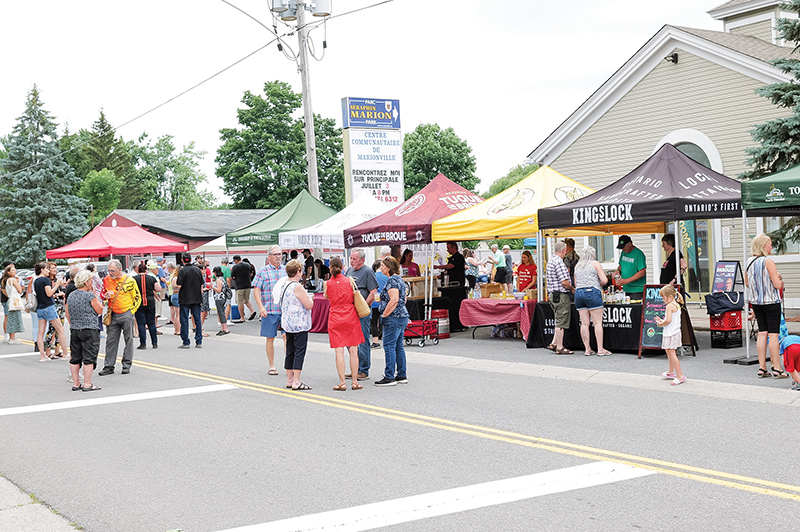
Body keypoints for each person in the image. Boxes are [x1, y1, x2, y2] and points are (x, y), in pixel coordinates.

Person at [744, 234, 788, 379]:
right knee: (773, 335)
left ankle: (762, 367)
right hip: (771, 302)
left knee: (762, 332)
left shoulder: (749, 261)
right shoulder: (768, 262)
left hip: (756, 302)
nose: (771, 246)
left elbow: (747, 283)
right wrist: (779, 278)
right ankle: (777, 368)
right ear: (764, 246)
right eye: (769, 244)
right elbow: (777, 285)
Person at [325, 257, 364, 391]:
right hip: (350, 315)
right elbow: (354, 296)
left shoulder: (327, 283)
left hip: (335, 316)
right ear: (343, 267)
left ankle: (342, 382)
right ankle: (354, 382)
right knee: (353, 350)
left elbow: (327, 296)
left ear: (330, 268)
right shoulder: (349, 280)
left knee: (339, 351)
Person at [275, 259, 314, 390]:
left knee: (290, 350)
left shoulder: (284, 285)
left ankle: (289, 379)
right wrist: (311, 299)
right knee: (299, 351)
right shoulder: (297, 286)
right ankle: (297, 381)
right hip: (299, 323)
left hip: (287, 323)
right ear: (298, 272)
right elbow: (308, 305)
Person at [99, 259, 141, 375]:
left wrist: (130, 311)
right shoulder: (106, 280)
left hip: (126, 312)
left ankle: (126, 364)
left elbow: (137, 297)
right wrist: (105, 296)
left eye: (112, 271)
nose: (110, 273)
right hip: (112, 313)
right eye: (109, 270)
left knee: (129, 339)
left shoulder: (129, 280)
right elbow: (102, 294)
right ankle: (109, 366)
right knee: (110, 340)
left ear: (119, 269)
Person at [66, 270, 103, 392]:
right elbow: (99, 310)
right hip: (89, 329)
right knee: (89, 357)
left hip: (75, 329)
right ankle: (87, 384)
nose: (92, 282)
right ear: (86, 282)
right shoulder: (90, 296)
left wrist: (74, 323)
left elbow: (68, 313)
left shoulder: (71, 295)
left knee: (75, 357)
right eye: (91, 280)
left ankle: (76, 383)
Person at [375, 257, 410, 386]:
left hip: (393, 317)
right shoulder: (399, 280)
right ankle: (401, 374)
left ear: (388, 267)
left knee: (389, 346)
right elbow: (403, 299)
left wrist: (385, 314)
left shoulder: (392, 281)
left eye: (383, 265)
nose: (381, 267)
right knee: (398, 346)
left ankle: (389, 376)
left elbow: (394, 299)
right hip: (402, 315)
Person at [253, 245, 287, 376]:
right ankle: (272, 365)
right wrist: (260, 307)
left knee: (286, 337)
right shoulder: (263, 271)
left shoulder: (286, 270)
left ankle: (288, 364)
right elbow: (256, 289)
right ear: (269, 257)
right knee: (270, 338)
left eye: (280, 254)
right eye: (275, 254)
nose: (278, 256)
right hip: (269, 309)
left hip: (284, 310)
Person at [345, 248, 378, 380]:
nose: (352, 261)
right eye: (351, 258)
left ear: (362, 260)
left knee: (363, 339)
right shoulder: (349, 271)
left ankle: (364, 370)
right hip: (350, 311)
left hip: (361, 311)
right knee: (349, 340)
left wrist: (364, 306)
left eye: (354, 259)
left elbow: (373, 292)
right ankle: (356, 366)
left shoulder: (368, 271)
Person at [574, 246, 612, 357]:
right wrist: (599, 283)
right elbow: (604, 280)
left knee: (584, 323)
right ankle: (600, 349)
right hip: (592, 291)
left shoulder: (578, 266)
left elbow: (576, 284)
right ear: (593, 254)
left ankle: (587, 349)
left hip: (579, 293)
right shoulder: (595, 264)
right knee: (597, 322)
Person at [33, 261, 68, 362]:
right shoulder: (45, 280)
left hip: (40, 308)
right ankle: (65, 354)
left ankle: (42, 356)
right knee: (60, 329)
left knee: (41, 332)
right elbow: (49, 293)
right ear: (42, 270)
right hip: (49, 307)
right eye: (47, 269)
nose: (49, 271)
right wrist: (57, 285)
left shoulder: (36, 280)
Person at [546, 241, 575, 355]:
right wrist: (572, 289)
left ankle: (554, 343)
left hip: (552, 294)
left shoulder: (551, 261)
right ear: (563, 250)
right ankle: (560, 347)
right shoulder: (559, 262)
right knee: (561, 322)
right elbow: (564, 282)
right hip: (561, 295)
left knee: (558, 319)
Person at [655, 284, 686, 385]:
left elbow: (668, 320)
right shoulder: (676, 304)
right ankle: (671, 371)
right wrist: (663, 321)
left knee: (672, 354)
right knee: (670, 352)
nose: (663, 299)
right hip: (675, 331)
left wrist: (661, 323)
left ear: (670, 297)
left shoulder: (669, 306)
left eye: (663, 297)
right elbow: (671, 320)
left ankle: (680, 375)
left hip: (670, 333)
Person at [176, 252, 204, 349]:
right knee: (197, 319)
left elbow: (179, 285)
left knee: (184, 320)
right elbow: (201, 284)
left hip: (185, 298)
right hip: (196, 297)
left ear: (183, 260)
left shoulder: (182, 271)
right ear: (191, 259)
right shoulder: (197, 270)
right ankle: (199, 340)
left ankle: (186, 341)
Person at [133, 262, 163, 349]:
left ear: (138, 270)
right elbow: (158, 289)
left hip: (139, 302)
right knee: (151, 323)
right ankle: (154, 343)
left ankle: (143, 344)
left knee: (141, 324)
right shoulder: (151, 278)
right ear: (146, 270)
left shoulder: (134, 279)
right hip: (150, 302)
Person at [42, 262, 66, 358]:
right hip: (53, 305)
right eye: (52, 268)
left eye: (55, 268)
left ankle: (57, 349)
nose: (54, 270)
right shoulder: (46, 281)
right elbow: (48, 294)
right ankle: (47, 350)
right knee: (52, 328)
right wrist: (57, 294)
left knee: (60, 328)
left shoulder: (56, 280)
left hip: (60, 305)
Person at [614, 235, 646, 300]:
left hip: (636, 290)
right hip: (626, 289)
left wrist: (626, 281)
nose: (623, 249)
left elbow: (642, 272)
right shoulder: (623, 252)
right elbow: (621, 265)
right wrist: (617, 271)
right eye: (621, 247)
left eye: (624, 247)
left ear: (630, 244)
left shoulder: (638, 254)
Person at [1, 264, 24, 344]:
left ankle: (11, 337)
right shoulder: (13, 280)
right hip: (13, 302)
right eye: (13, 270)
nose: (15, 271)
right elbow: (20, 290)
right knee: (14, 319)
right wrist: (18, 283)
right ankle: (12, 338)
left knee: (11, 319)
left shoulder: (6, 280)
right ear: (8, 272)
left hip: (9, 300)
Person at [231, 255, 256, 322]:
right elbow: (251, 274)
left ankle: (242, 317)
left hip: (239, 286)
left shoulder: (235, 267)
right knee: (246, 300)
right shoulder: (248, 265)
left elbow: (232, 276)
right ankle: (252, 311)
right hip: (248, 285)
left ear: (236, 260)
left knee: (240, 302)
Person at [370, 260, 387, 349]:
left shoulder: (372, 276)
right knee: (384, 320)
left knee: (374, 322)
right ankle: (385, 338)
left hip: (374, 302)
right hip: (384, 302)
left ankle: (376, 341)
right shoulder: (386, 277)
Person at [212, 266, 232, 336]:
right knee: (221, 312)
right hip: (223, 297)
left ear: (215, 273)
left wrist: (212, 287)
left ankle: (225, 328)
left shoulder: (218, 280)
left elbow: (219, 290)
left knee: (221, 312)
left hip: (219, 298)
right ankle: (222, 328)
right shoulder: (222, 279)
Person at [168, 263, 181, 335]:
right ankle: (178, 330)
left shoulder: (173, 277)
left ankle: (176, 330)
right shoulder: (176, 278)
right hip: (177, 295)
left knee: (177, 313)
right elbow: (176, 286)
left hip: (174, 295)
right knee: (178, 314)